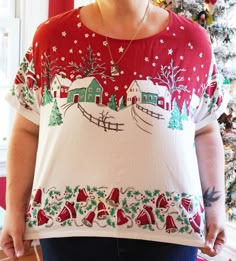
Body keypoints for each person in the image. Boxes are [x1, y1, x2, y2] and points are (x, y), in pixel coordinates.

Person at [0, 0, 227, 260]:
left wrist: (215, 208)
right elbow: (27, 130)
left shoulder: (192, 41)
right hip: (67, 229)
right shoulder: (51, 37)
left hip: (170, 229)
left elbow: (205, 131)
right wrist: (15, 212)